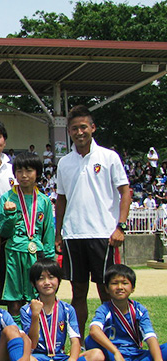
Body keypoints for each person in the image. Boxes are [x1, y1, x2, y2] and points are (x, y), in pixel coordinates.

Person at [55, 105, 131, 341]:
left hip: (103, 234)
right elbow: (61, 199)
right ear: (69, 131)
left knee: (107, 291)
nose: (79, 132)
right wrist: (58, 235)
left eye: (83, 127)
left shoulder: (109, 157)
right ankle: (78, 343)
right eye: (74, 128)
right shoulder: (64, 162)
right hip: (74, 235)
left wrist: (121, 226)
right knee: (78, 293)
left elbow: (125, 191)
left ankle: (114, 341)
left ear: (93, 128)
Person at [21, 259, 103, 361]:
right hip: (38, 358)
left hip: (60, 358)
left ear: (59, 280)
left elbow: (75, 340)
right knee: (27, 360)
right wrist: (35, 316)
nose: (47, 282)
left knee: (97, 355)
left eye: (51, 277)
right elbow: (32, 345)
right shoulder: (27, 310)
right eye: (41, 278)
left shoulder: (67, 309)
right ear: (34, 283)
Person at [85, 264, 167, 361]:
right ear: (106, 288)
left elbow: (150, 337)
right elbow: (94, 330)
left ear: (133, 288)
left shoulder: (139, 310)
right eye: (114, 283)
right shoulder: (105, 309)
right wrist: (116, 352)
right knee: (90, 340)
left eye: (124, 283)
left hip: (136, 356)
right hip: (113, 356)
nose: (120, 287)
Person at [0, 153, 55, 324]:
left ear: (37, 173)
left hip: (36, 256)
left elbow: (48, 233)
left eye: (29, 171)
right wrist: (10, 215)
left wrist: (50, 261)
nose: (24, 175)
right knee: (14, 300)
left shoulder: (44, 201)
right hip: (13, 255)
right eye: (20, 171)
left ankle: (36, 336)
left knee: (36, 298)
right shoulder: (7, 198)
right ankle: (16, 335)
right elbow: (3, 232)